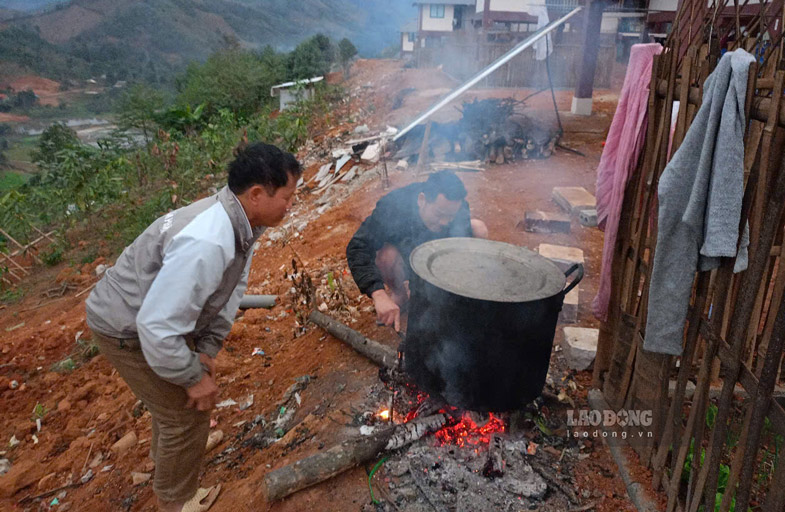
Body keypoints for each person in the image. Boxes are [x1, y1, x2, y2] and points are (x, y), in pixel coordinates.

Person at [85, 143, 301, 512]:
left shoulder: (241, 222)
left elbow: (231, 290)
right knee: (185, 415)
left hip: (154, 316)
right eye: (288, 196)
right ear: (256, 194)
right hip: (125, 327)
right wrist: (190, 374)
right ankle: (174, 503)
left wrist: (206, 348)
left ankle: (170, 471)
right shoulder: (208, 239)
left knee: (177, 409)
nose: (291, 204)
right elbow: (155, 327)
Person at [346, 171, 488, 331]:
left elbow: (460, 251)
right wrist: (378, 294)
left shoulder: (458, 208)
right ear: (422, 200)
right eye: (439, 214)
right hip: (403, 261)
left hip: (436, 259)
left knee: (478, 229)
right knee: (386, 256)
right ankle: (400, 295)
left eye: (450, 217)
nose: (444, 222)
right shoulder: (393, 208)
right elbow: (357, 247)